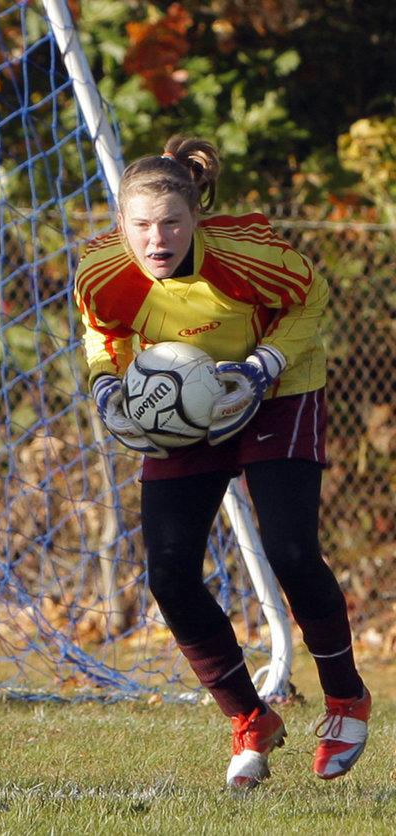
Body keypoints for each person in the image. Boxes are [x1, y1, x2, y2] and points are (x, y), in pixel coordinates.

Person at [74, 135, 370, 790]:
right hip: (182, 406)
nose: (157, 239)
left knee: (290, 551)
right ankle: (249, 718)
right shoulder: (98, 270)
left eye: (172, 223)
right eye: (142, 226)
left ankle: (346, 698)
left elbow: (311, 300)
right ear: (119, 224)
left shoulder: (248, 255)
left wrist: (263, 368)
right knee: (169, 574)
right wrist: (104, 383)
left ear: (195, 219)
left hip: (279, 390)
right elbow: (104, 331)